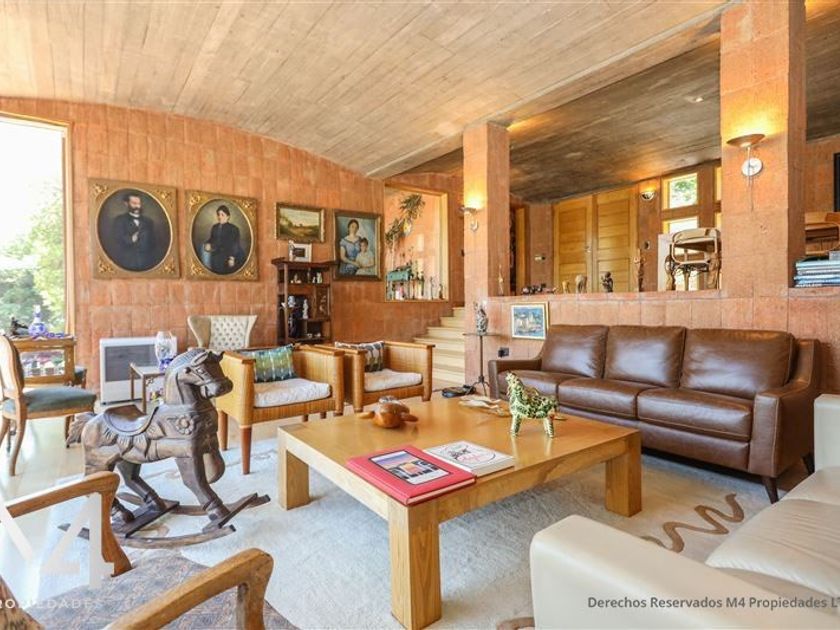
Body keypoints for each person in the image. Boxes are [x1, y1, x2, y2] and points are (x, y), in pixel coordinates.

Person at [112, 191, 157, 271]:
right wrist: (131, 239)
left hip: (146, 261)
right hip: (127, 260)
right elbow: (117, 239)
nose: (138, 206)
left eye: (139, 203)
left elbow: (153, 242)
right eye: (134, 203)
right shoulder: (119, 220)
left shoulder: (148, 221)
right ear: (126, 203)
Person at [204, 205, 244, 274]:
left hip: (230, 255)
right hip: (216, 253)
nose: (220, 217)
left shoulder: (234, 229)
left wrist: (232, 258)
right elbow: (212, 238)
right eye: (218, 214)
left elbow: (235, 244)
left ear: (228, 216)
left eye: (222, 215)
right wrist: (207, 244)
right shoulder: (215, 227)